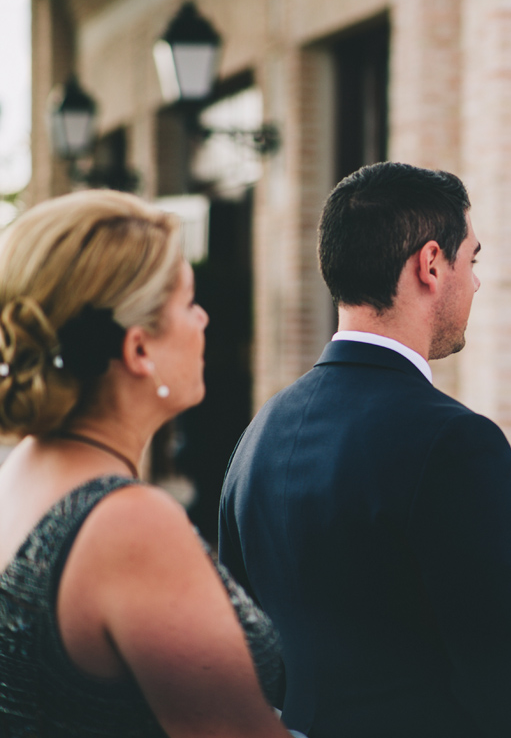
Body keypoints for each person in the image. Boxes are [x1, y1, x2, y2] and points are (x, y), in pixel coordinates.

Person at [219, 162, 511, 737]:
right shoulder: (458, 443)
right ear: (431, 264)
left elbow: (242, 646)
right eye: (473, 259)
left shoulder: (261, 431)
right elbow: (502, 670)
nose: (477, 282)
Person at [0, 190, 289, 737]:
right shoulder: (128, 524)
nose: (204, 318)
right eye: (188, 302)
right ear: (138, 350)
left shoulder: (21, 472)